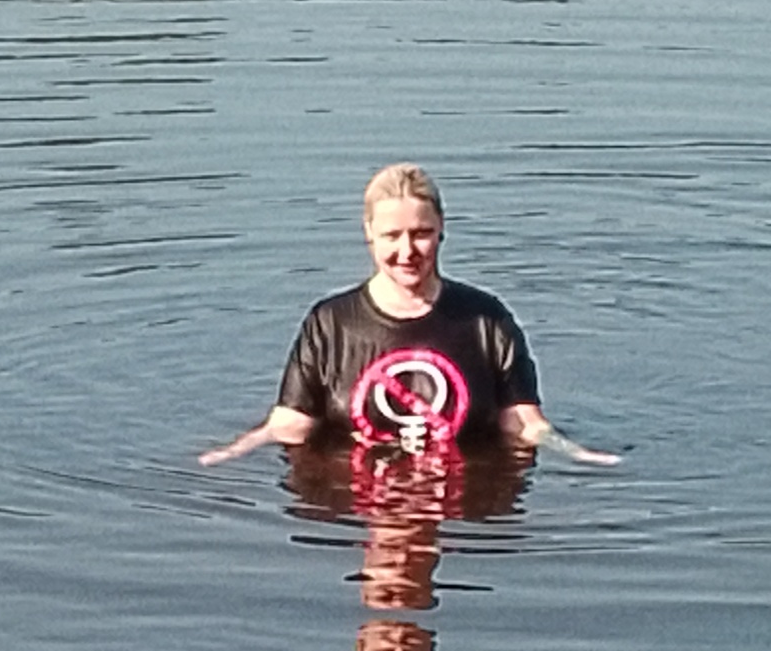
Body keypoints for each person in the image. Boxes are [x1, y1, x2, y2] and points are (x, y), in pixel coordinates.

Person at [199, 163, 618, 466]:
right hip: (359, 498)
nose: (407, 251)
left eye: (421, 234)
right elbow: (290, 424)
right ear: (368, 234)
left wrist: (579, 454)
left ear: (441, 230)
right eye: (391, 236)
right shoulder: (330, 324)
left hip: (459, 503)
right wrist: (234, 453)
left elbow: (524, 423)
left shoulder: (486, 320)